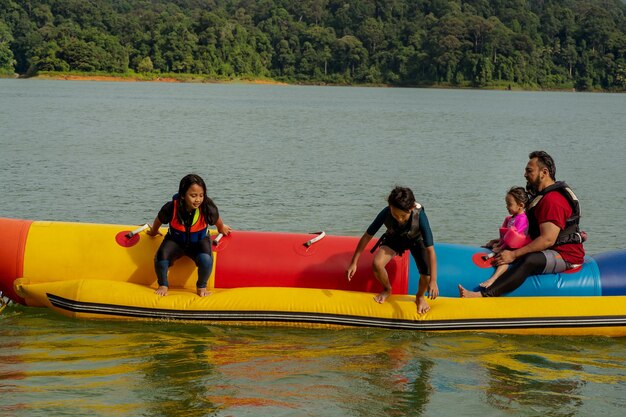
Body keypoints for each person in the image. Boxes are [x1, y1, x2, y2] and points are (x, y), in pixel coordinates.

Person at [459, 151, 585, 298]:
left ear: (544, 173)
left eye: (529, 170)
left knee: (529, 260)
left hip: (565, 256)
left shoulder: (553, 201)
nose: (525, 174)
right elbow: (531, 234)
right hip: (549, 249)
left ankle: (484, 295)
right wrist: (503, 242)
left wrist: (513, 254)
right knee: (505, 250)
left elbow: (547, 239)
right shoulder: (541, 198)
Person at [346, 186, 438, 313]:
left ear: (411, 209)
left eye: (403, 216)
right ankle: (387, 289)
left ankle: (420, 297)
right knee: (377, 264)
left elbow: (430, 250)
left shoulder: (420, 215)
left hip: (416, 240)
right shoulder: (386, 212)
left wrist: (433, 281)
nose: (399, 219)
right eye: (395, 214)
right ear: (390, 207)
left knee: (426, 275)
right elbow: (367, 236)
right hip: (395, 238)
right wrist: (354, 262)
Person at [146, 174, 231, 297]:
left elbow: (216, 219)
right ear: (182, 195)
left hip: (199, 242)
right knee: (161, 257)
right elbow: (159, 219)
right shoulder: (171, 207)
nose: (198, 200)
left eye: (201, 195)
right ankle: (163, 285)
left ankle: (201, 287)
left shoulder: (207, 207)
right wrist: (153, 231)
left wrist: (221, 228)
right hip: (175, 241)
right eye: (193, 195)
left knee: (206, 260)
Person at [479, 186, 531, 288]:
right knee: (491, 243)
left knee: (504, 258)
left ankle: (493, 279)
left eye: (509, 204)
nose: (507, 207)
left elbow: (514, 239)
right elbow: (507, 236)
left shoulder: (522, 219)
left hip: (516, 248)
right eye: (506, 204)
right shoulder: (512, 218)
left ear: (520, 205)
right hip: (508, 244)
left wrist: (500, 248)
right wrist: (496, 242)